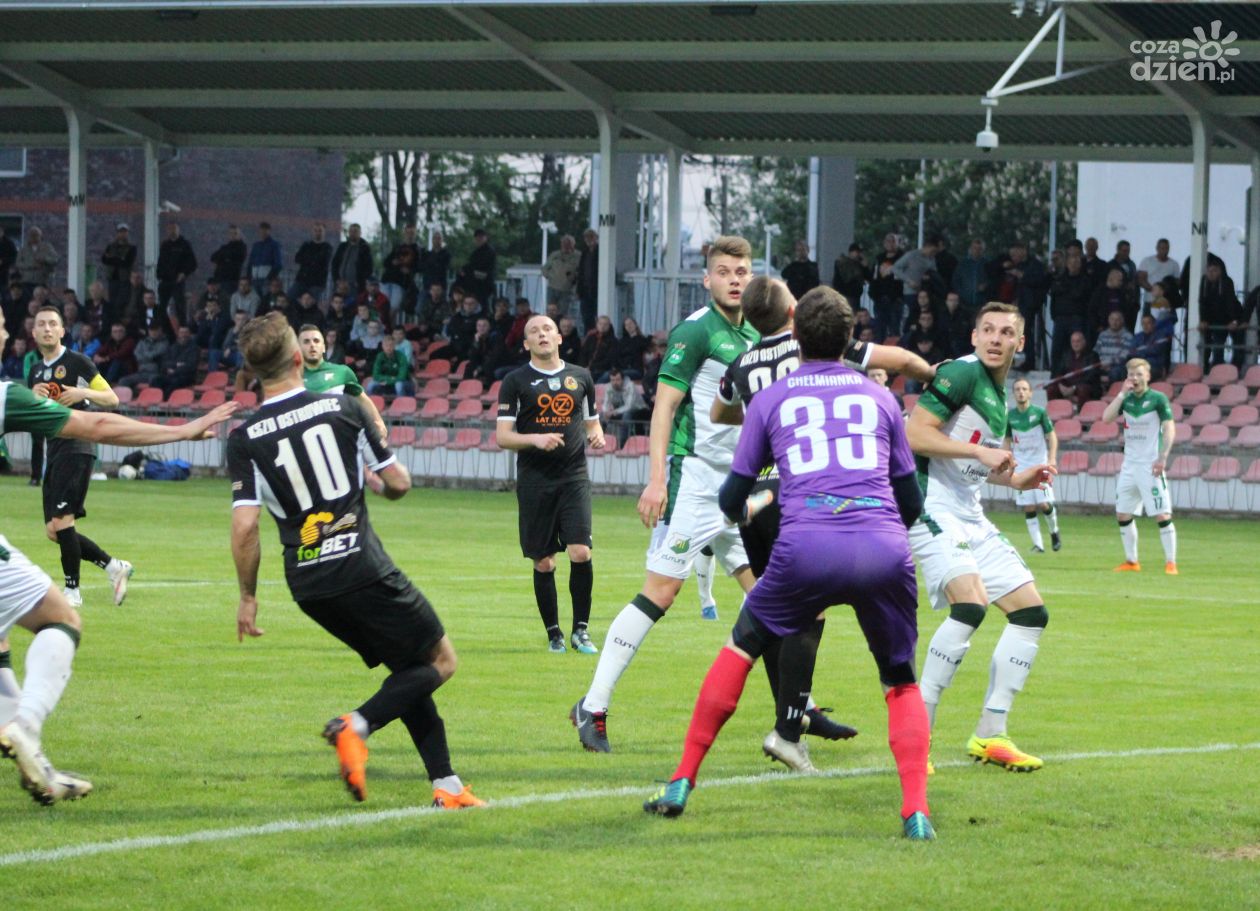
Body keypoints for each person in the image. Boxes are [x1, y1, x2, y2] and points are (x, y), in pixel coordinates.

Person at [643, 287, 934, 840]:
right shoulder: (882, 400)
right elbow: (912, 501)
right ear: (851, 338)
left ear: (795, 332)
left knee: (740, 649)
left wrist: (755, 504)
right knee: (900, 680)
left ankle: (682, 780)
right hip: (882, 547)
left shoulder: (771, 398)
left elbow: (733, 497)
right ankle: (915, 812)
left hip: (806, 547)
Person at [227, 312, 483, 809]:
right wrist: (383, 489)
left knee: (408, 669)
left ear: (253, 371)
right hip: (361, 566)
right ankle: (356, 726)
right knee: (441, 661)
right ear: (298, 358)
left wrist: (248, 597)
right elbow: (399, 482)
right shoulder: (344, 408)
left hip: (308, 584)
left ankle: (448, 786)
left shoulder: (245, 437)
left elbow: (245, 527)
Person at [0, 309, 236, 805]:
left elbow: (101, 401)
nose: (7, 333)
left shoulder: (64, 368)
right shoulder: (7, 394)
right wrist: (182, 431)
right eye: (1, 325)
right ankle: (26, 725)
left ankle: (35, 762)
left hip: (70, 455)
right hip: (69, 448)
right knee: (61, 619)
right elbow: (100, 424)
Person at [711, 279, 937, 764]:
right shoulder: (821, 345)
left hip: (756, 493)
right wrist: (931, 372)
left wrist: (762, 420)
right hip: (802, 489)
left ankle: (795, 717)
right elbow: (898, 360)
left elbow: (718, 410)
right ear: (793, 313)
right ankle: (790, 722)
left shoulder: (741, 363)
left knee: (775, 613)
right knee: (802, 614)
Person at [569, 236, 763, 753]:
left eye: (742, 271)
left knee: (769, 596)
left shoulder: (756, 332)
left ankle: (796, 711)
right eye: (724, 271)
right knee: (661, 592)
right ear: (707, 278)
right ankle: (593, 706)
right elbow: (664, 408)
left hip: (739, 483)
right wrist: (657, 480)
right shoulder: (696, 330)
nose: (735, 279)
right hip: (693, 479)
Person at [908, 302, 1056, 773]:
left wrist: (1016, 479)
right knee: (970, 605)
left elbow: (976, 463)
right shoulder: (961, 373)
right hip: (931, 505)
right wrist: (980, 454)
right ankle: (917, 739)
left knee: (1030, 613)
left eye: (1006, 332)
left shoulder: (998, 395)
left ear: (1020, 343)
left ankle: (991, 733)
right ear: (974, 337)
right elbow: (914, 434)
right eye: (987, 330)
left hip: (970, 513)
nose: (996, 338)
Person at [496, 315, 604, 654]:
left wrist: (597, 434)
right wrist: (535, 439)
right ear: (526, 343)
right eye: (534, 331)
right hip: (534, 482)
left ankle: (581, 631)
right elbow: (503, 436)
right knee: (544, 562)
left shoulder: (581, 376)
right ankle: (554, 633)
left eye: (547, 329)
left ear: (559, 337)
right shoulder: (515, 381)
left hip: (573, 477)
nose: (541, 334)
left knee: (580, 551)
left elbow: (592, 422)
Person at [27, 305, 133, 609]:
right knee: (54, 530)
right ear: (34, 332)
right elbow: (36, 416)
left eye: (53, 324)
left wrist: (82, 393)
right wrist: (32, 399)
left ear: (62, 331)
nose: (47, 329)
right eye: (41, 324)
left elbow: (111, 398)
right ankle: (114, 566)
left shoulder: (77, 362)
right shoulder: (35, 371)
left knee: (62, 521)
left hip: (77, 446)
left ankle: (72, 590)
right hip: (54, 449)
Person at [1100, 358, 1177, 574]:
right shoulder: (1126, 400)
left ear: (1148, 376)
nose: (1135, 378)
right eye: (1131, 374)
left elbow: (1169, 428)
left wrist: (1163, 457)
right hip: (1129, 466)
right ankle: (1132, 561)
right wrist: (1121, 394)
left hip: (1150, 465)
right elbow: (1106, 418)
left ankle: (1171, 563)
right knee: (1123, 514)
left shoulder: (1158, 399)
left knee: (1162, 514)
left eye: (1139, 374)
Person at [297, 324, 387, 440]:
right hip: (304, 438)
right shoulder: (291, 378)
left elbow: (362, 399)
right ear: (298, 348)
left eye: (316, 341)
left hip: (338, 437)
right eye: (306, 342)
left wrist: (378, 422)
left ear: (323, 347)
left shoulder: (342, 372)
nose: (312, 345)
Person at [1007, 378, 1061, 554]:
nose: (1021, 392)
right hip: (1021, 466)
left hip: (1040, 465)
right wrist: (1007, 460)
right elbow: (1007, 440)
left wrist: (1052, 458)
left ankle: (1054, 532)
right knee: (1028, 506)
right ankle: (1038, 545)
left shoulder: (1039, 413)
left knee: (1044, 503)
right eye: (1017, 389)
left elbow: (1052, 436)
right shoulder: (1010, 416)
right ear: (1013, 394)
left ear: (1030, 393)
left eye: (1024, 389)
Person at [155, 222, 196, 321]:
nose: (172, 231)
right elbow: (160, 261)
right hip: (165, 280)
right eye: (170, 229)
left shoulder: (185, 244)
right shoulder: (165, 245)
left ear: (178, 230)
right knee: (162, 306)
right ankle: (163, 327)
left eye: (174, 228)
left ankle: (182, 327)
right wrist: (158, 274)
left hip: (177, 281)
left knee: (179, 306)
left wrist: (183, 273)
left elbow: (193, 263)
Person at [600, 366, 649, 447]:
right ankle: (601, 442)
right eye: (613, 380)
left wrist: (614, 412)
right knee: (601, 415)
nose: (615, 382)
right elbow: (606, 403)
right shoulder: (609, 387)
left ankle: (621, 445)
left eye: (617, 380)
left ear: (622, 379)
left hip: (639, 410)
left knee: (627, 415)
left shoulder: (630, 386)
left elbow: (629, 406)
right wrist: (606, 412)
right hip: (620, 411)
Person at [291, 223, 332, 303]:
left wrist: (307, 259)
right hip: (302, 279)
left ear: (324, 232)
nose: (317, 233)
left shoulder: (327, 247)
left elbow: (322, 262)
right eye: (315, 230)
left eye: (320, 231)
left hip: (317, 282)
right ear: (312, 232)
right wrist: (313, 259)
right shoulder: (306, 245)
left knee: (311, 303)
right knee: (289, 297)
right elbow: (297, 258)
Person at [541, 234, 580, 313]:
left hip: (567, 290)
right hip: (552, 288)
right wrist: (549, 276)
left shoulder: (578, 256)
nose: (566, 246)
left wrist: (575, 277)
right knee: (550, 311)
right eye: (564, 243)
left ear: (573, 244)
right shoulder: (554, 255)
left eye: (568, 243)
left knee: (563, 312)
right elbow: (544, 269)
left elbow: (581, 271)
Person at [458, 229, 496, 307]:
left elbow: (480, 266)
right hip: (475, 283)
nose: (479, 239)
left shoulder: (489, 251)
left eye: (481, 237)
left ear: (485, 238)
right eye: (477, 238)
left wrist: (467, 270)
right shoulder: (475, 252)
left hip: (485, 281)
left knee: (482, 304)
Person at [576, 228, 599, 335]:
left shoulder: (600, 251)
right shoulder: (584, 252)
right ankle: (588, 337)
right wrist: (578, 289)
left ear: (596, 238)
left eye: (591, 237)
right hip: (585, 290)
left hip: (596, 289)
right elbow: (581, 272)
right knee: (586, 317)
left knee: (597, 315)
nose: (589, 240)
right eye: (587, 238)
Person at [210, 225, 248, 290]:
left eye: (235, 233)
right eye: (231, 233)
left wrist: (222, 259)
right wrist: (226, 258)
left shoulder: (242, 247)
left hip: (231, 280)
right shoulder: (225, 247)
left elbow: (236, 257)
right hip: (220, 280)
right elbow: (213, 257)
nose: (233, 235)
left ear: (239, 234)